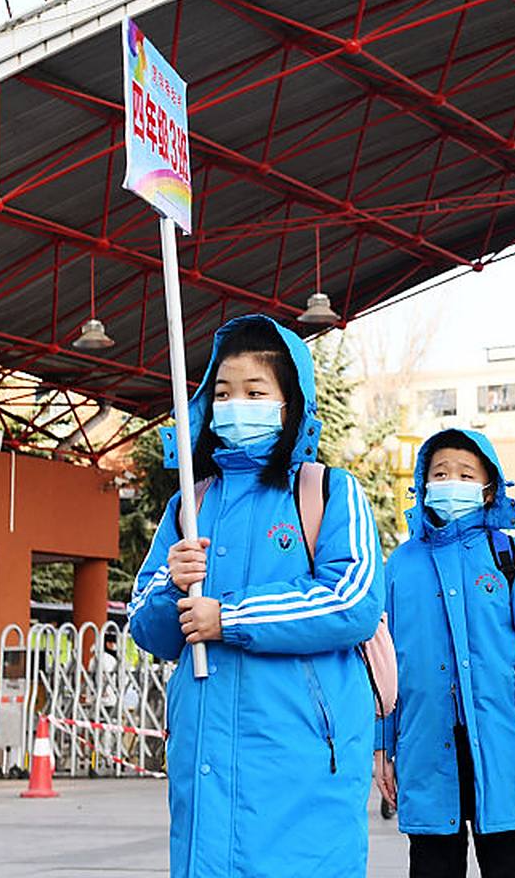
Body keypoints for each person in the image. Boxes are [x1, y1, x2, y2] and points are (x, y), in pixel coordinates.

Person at [128, 315, 384, 878]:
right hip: (204, 759)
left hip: (302, 764)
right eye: (222, 393)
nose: (235, 404)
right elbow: (146, 627)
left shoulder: (328, 492)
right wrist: (172, 584)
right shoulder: (189, 506)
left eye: (254, 392)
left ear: (289, 404)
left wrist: (231, 616)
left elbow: (353, 599)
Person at [379, 428, 515, 878]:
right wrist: (382, 748)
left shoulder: (514, 557)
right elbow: (382, 666)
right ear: (423, 484)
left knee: (508, 867)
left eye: (465, 473)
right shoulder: (401, 565)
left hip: (505, 749)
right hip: (425, 747)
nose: (451, 481)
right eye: (440, 472)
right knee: (431, 868)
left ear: (488, 488)